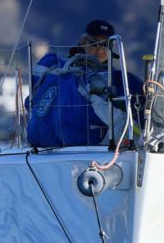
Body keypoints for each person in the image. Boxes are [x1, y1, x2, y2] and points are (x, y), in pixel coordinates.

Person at [27, 19, 144, 147]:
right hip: (58, 145)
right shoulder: (56, 67)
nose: (100, 49)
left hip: (86, 146)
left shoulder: (116, 80)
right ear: (83, 42)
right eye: (95, 43)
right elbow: (31, 101)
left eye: (106, 44)